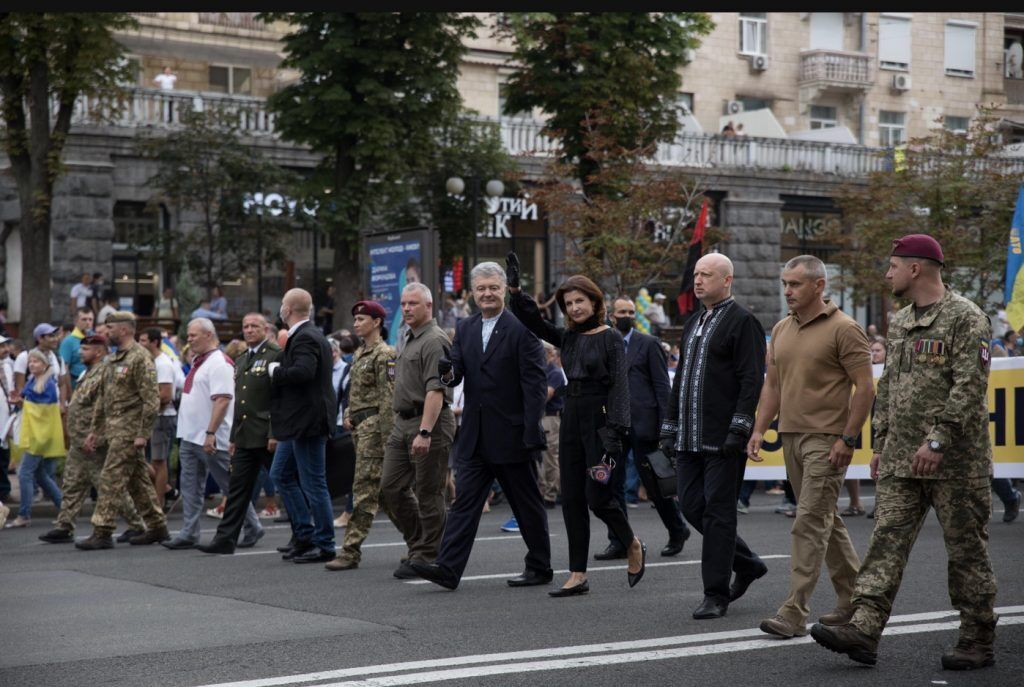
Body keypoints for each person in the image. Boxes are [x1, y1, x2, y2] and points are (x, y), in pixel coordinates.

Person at [810, 234, 998, 671]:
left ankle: (977, 638)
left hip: (955, 462)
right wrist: (881, 444)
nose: (887, 274)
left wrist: (937, 441)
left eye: (893, 266)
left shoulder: (967, 318)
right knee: (885, 542)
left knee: (967, 551)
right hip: (899, 459)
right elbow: (889, 387)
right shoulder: (900, 321)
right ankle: (865, 627)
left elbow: (970, 389)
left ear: (916, 269)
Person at [747, 255, 873, 639]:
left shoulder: (845, 328)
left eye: (795, 284)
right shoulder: (782, 327)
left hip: (826, 440)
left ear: (819, 286)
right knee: (824, 520)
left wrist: (847, 439)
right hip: (790, 437)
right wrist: (759, 430)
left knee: (808, 523)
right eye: (785, 283)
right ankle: (856, 600)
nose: (787, 290)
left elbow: (865, 388)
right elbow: (772, 385)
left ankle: (794, 612)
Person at [410, 262, 553, 590]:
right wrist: (446, 372)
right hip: (475, 435)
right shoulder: (466, 327)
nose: (487, 294)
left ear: (503, 289)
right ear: (472, 293)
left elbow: (534, 384)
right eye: (481, 288)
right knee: (464, 504)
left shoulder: (521, 329)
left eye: (493, 287)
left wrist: (532, 429)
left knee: (526, 503)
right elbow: (455, 374)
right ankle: (448, 568)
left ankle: (540, 566)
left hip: (513, 434)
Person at [509, 255, 646, 597]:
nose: (574, 308)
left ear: (594, 301)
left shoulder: (610, 337)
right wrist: (516, 291)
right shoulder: (568, 338)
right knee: (571, 499)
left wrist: (616, 430)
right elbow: (533, 322)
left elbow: (619, 386)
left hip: (601, 421)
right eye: (568, 304)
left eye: (579, 301)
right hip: (571, 416)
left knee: (597, 497)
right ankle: (577, 574)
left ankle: (631, 542)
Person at [659, 253, 767, 619]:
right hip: (688, 436)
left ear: (727, 280)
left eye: (707, 274)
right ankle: (747, 562)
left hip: (723, 439)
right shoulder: (692, 323)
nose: (699, 280)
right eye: (696, 274)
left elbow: (752, 379)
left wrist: (740, 426)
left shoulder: (743, 321)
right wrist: (668, 428)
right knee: (691, 507)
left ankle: (715, 594)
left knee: (719, 515)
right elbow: (681, 381)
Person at [598, 296, 691, 561]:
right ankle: (619, 540)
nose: (626, 315)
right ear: (612, 316)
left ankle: (677, 529)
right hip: (614, 426)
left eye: (630, 311)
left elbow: (663, 388)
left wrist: (667, 427)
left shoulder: (648, 344)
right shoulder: (605, 344)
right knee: (612, 485)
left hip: (645, 425)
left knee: (654, 484)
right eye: (621, 311)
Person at [161, 318, 263, 550]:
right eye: (188, 335)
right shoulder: (201, 362)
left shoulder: (219, 363)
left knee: (230, 486)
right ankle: (189, 532)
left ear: (208, 335)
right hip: (190, 435)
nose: (189, 340)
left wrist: (211, 432)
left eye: (193, 335)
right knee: (190, 487)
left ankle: (253, 526)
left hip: (211, 437)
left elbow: (223, 400)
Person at [380, 282, 457, 578]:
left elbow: (436, 390)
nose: (407, 309)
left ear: (428, 306)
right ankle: (418, 543)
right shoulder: (409, 337)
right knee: (391, 488)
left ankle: (428, 554)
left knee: (428, 492)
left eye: (413, 304)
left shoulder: (434, 340)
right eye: (403, 304)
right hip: (403, 422)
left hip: (429, 423)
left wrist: (425, 432)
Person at [38, 335, 146, 543]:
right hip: (80, 442)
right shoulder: (87, 373)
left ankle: (137, 525)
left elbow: (109, 407)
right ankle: (65, 525)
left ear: (98, 351)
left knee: (109, 486)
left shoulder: (106, 373)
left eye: (85, 349)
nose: (80, 353)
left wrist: (98, 434)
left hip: (94, 442)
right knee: (71, 484)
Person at [76, 312, 169, 549]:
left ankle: (103, 531)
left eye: (110, 327)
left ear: (124, 329)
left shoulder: (140, 358)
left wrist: (142, 434)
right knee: (138, 482)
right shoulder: (113, 359)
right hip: (114, 429)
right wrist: (95, 430)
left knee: (110, 478)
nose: (106, 331)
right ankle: (157, 527)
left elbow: (151, 400)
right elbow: (103, 398)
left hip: (129, 431)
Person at [196, 313, 282, 555]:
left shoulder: (276, 354)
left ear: (265, 329)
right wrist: (233, 436)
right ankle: (225, 540)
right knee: (237, 490)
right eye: (245, 326)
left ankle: (303, 535)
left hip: (266, 434)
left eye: (255, 326)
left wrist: (274, 432)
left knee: (287, 482)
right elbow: (240, 403)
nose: (249, 330)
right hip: (245, 436)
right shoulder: (243, 359)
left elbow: (279, 398)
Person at [325, 301, 397, 571]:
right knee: (388, 497)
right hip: (359, 429)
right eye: (355, 319)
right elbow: (354, 392)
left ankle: (350, 551)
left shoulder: (385, 354)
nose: (356, 324)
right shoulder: (359, 354)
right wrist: (348, 413)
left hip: (375, 430)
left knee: (364, 491)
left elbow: (388, 399)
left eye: (362, 319)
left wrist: (389, 437)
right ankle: (421, 542)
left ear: (376, 322)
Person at [269, 288, 338, 564]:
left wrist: (275, 372)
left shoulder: (306, 336)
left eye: (283, 305)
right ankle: (304, 534)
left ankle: (324, 544)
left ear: (288, 310)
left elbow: (303, 372)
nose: (280, 310)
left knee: (313, 483)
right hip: (300, 421)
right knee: (281, 474)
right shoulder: (306, 334)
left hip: (308, 421)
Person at [5, 350, 64, 528]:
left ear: (45, 364)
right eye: (30, 361)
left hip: (39, 436)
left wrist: (23, 402)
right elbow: (32, 405)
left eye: (36, 361)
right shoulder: (34, 381)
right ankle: (66, 510)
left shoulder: (47, 384)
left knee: (24, 473)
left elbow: (44, 411)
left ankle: (24, 515)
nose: (32, 364)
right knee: (40, 475)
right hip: (35, 434)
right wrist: (19, 401)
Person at [138, 328, 182, 511]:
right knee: (141, 459)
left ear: (155, 342)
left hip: (162, 418)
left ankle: (158, 503)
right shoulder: (150, 361)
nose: (140, 344)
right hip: (153, 417)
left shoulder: (163, 364)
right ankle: (168, 491)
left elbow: (165, 395)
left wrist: (146, 408)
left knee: (159, 461)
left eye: (143, 340)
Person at [13, 323, 71, 410]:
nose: (56, 339)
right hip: (31, 409)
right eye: (51, 336)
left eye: (56, 336)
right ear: (40, 338)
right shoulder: (24, 357)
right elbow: (20, 387)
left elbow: (62, 384)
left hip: (53, 408)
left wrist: (62, 405)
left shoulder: (58, 358)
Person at [538, 342, 565, 509]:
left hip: (550, 417)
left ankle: (550, 494)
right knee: (541, 458)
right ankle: (544, 491)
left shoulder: (553, 372)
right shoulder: (542, 371)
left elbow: (545, 396)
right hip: (541, 417)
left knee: (550, 457)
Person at [59, 308, 94, 389]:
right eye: (84, 319)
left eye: (90, 319)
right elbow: (64, 368)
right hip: (76, 385)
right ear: (76, 321)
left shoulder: (95, 339)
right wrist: (69, 391)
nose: (88, 322)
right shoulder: (68, 341)